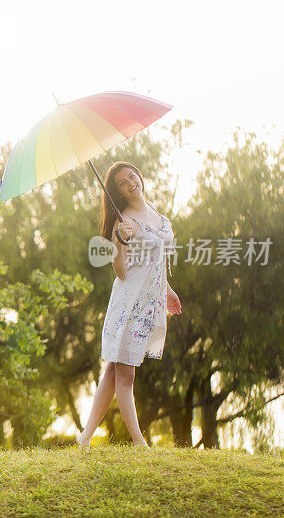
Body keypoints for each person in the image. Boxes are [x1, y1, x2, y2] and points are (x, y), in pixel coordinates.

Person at [75, 161, 182, 449]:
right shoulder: (124, 222)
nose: (130, 182)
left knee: (113, 369)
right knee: (125, 372)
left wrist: (168, 291)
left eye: (132, 176)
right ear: (118, 192)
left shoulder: (157, 215)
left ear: (140, 176)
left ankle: (84, 438)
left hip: (149, 303)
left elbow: (156, 263)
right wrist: (120, 242)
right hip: (129, 303)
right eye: (122, 182)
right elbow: (122, 271)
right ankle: (139, 442)